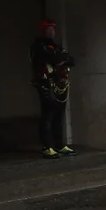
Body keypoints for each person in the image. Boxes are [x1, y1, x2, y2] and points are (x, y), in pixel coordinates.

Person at [30, 20, 76, 158]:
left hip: (59, 85)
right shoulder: (38, 46)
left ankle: (59, 145)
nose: (52, 32)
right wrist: (59, 60)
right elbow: (51, 58)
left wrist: (61, 60)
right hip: (45, 84)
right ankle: (47, 146)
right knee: (47, 114)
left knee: (59, 115)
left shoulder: (56, 46)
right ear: (43, 31)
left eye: (53, 29)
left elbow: (71, 60)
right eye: (48, 29)